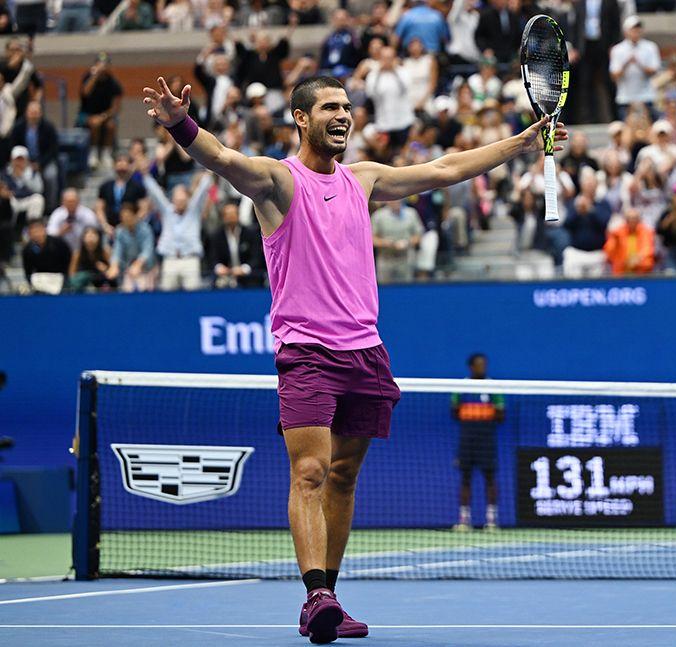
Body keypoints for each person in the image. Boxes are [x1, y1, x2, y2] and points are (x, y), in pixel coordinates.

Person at [141, 71, 565, 643]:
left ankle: (331, 598)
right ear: (301, 118)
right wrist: (179, 125)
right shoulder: (277, 182)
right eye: (330, 108)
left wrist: (519, 144)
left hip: (365, 352)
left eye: (347, 108)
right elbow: (221, 157)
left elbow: (443, 169)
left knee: (343, 475)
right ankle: (314, 596)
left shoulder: (363, 180)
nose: (343, 116)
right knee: (310, 471)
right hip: (307, 352)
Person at [451, 353, 505, 532]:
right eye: (479, 364)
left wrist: (476, 413)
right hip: (467, 440)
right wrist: (483, 412)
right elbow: (454, 411)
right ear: (471, 367)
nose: (482, 367)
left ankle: (491, 520)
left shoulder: (493, 387)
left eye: (484, 364)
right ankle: (464, 520)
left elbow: (501, 414)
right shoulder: (461, 387)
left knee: (490, 479)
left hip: (486, 440)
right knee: (465, 479)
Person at [145, 172, 211, 291]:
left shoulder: (194, 210)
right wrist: (145, 175)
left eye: (182, 199)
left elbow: (201, 192)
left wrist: (209, 172)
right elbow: (156, 194)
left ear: (187, 199)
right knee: (167, 296)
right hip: (170, 259)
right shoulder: (167, 211)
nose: (180, 202)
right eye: (177, 199)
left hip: (190, 259)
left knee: (193, 295)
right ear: (173, 200)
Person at [609, 16, 661, 120]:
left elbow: (655, 71)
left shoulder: (651, 47)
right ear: (626, 32)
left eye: (638, 29)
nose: (636, 32)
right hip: (625, 98)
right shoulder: (617, 50)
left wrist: (639, 64)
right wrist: (626, 64)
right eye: (633, 29)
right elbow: (614, 76)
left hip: (646, 96)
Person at [77, 52, 123, 169]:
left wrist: (103, 117)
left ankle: (106, 153)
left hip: (105, 115)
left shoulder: (113, 83)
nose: (103, 66)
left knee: (111, 125)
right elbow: (85, 93)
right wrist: (95, 76)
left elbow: (116, 107)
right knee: (94, 124)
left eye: (105, 64)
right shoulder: (88, 77)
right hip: (86, 114)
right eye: (100, 63)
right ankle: (93, 153)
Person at [208, 201, 265, 288]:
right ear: (223, 217)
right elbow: (212, 257)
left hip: (249, 276)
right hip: (225, 276)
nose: (230, 217)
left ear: (238, 215)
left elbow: (257, 257)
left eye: (233, 214)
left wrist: (244, 269)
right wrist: (219, 267)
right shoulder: (217, 236)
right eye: (227, 215)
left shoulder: (250, 233)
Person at [107, 203, 157, 292]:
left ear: (135, 215)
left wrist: (138, 264)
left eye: (128, 216)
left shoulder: (145, 229)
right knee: (127, 291)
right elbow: (117, 251)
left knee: (146, 291)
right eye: (123, 217)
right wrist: (114, 265)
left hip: (147, 267)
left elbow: (147, 250)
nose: (126, 219)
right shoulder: (120, 231)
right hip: (129, 268)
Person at [371, 199, 424, 282]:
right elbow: (371, 239)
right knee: (385, 290)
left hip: (405, 259)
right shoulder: (378, 215)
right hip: (386, 260)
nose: (396, 202)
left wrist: (407, 242)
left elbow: (419, 236)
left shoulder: (411, 213)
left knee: (405, 290)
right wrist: (386, 243)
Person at [97, 154, 147, 232]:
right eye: (119, 161)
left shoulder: (137, 186)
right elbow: (99, 208)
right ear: (114, 165)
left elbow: (143, 209)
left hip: (131, 229)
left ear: (130, 166)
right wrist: (105, 225)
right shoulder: (105, 186)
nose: (122, 164)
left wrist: (132, 223)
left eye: (125, 162)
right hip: (110, 227)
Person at [21, 217, 71, 293]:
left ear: (44, 230)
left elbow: (68, 260)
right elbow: (28, 270)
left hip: (59, 277)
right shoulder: (28, 249)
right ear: (30, 234)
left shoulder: (58, 243)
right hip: (40, 279)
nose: (37, 234)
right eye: (34, 231)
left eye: (39, 230)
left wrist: (66, 277)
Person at [604, 207, 655, 276]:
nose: (632, 221)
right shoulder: (617, 232)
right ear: (625, 220)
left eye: (634, 218)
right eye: (629, 219)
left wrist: (638, 258)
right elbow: (609, 251)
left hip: (642, 272)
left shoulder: (646, 232)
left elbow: (647, 248)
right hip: (621, 272)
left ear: (639, 220)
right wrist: (615, 241)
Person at [68, 226, 113, 290]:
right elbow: (71, 274)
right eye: (88, 235)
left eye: (93, 235)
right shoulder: (78, 253)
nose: (90, 238)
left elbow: (113, 270)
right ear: (83, 238)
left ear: (98, 238)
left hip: (100, 284)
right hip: (82, 285)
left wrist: (105, 269)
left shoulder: (105, 251)